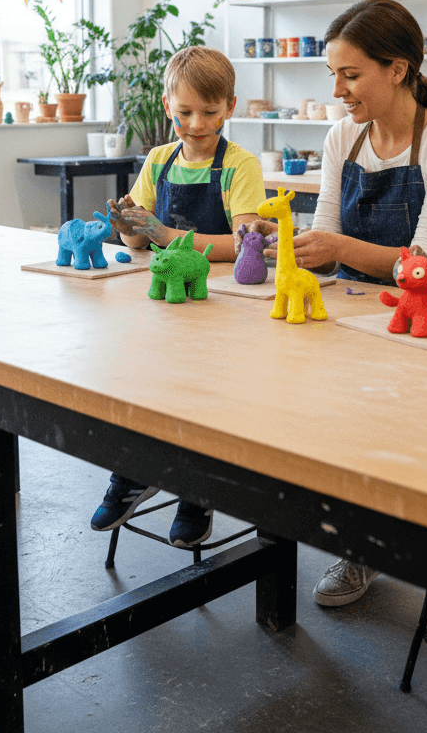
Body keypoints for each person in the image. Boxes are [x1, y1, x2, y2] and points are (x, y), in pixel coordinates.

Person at [238, 0, 427, 606]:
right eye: (333, 76)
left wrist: (334, 245)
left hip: (419, 317)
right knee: (330, 426)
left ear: (398, 69)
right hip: (348, 305)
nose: (340, 90)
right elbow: (323, 229)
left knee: (407, 434)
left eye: (351, 75)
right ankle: (360, 545)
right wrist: (287, 249)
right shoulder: (342, 134)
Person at [90, 45, 265, 547]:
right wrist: (129, 225)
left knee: (203, 402)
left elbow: (243, 247)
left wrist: (164, 233)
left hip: (218, 309)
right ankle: (130, 475)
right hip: (162, 305)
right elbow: (136, 243)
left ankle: (198, 494)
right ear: (168, 106)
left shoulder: (239, 165)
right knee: (140, 388)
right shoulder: (158, 160)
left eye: (209, 112)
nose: (195, 123)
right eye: (185, 112)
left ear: (230, 107)